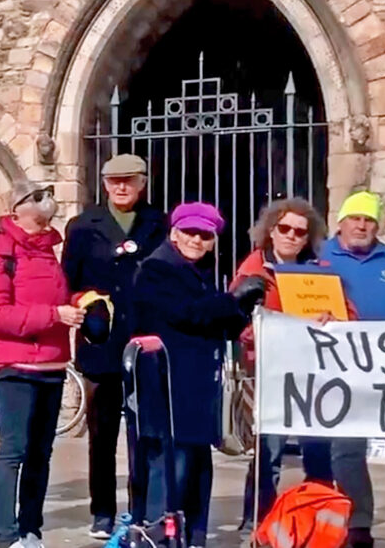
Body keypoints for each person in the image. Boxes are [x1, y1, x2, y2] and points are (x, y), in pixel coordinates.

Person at [132, 202, 262, 548]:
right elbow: (184, 314)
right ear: (174, 233)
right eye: (190, 232)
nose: (196, 240)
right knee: (172, 468)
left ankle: (194, 537)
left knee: (198, 467)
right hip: (167, 386)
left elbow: (222, 324)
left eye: (205, 235)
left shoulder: (203, 271)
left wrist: (242, 307)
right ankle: (162, 536)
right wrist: (231, 300)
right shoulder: (156, 269)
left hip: (197, 385)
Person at [0, 179, 85, 548]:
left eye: (48, 193)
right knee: (13, 451)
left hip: (52, 364)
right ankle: (6, 536)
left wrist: (84, 303)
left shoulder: (49, 249)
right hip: (16, 365)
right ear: (18, 208)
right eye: (38, 196)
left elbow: (58, 295)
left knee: (41, 453)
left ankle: (31, 530)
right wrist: (56, 315)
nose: (47, 200)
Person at [61, 153, 167, 539]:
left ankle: (143, 508)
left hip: (144, 341)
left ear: (143, 183)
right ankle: (102, 512)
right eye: (113, 181)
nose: (121, 187)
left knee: (145, 433)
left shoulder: (160, 224)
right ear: (104, 184)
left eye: (130, 180)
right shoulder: (82, 226)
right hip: (101, 341)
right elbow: (67, 281)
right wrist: (83, 303)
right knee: (102, 434)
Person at [233, 198, 337, 530]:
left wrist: (334, 318)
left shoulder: (321, 272)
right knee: (268, 454)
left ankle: (323, 523)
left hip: (313, 375)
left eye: (300, 232)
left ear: (309, 238)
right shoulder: (252, 269)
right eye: (285, 228)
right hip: (271, 375)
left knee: (319, 452)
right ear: (271, 231)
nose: (292, 236)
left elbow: (349, 313)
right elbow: (237, 322)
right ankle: (258, 523)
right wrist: (271, 328)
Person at [320, 191, 385, 548]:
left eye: (369, 220)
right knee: (346, 448)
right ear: (340, 222)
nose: (361, 225)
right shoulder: (320, 256)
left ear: (377, 226)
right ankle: (358, 523)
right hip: (342, 371)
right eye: (355, 218)